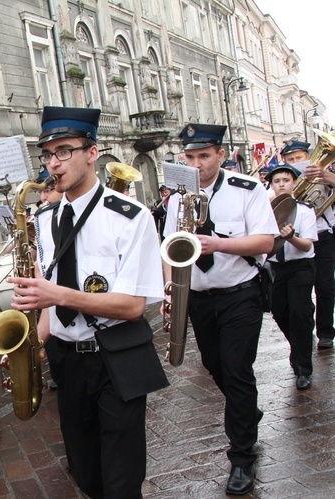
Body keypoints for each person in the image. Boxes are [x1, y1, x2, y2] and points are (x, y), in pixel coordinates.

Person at [9, 107, 167, 498]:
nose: (53, 163)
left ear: (92, 153)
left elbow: (132, 306)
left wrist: (57, 295)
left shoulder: (131, 217)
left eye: (64, 151)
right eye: (47, 154)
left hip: (115, 356)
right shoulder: (43, 220)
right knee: (85, 472)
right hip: (67, 359)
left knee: (121, 478)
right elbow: (47, 298)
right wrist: (32, 343)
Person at [163, 124, 278, 495]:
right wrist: (169, 288)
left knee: (236, 368)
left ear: (221, 154)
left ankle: (241, 456)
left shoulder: (249, 189)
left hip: (239, 293)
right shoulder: (177, 198)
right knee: (215, 366)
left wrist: (219, 245)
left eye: (204, 156)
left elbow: (266, 241)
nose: (196, 164)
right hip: (198, 297)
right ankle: (246, 412)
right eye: (190, 157)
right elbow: (169, 245)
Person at [266, 163, 317, 390]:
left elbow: (306, 246)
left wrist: (291, 236)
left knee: (299, 313)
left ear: (294, 183)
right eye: (277, 182)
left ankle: (303, 368)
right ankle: (299, 345)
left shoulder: (304, 210)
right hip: (277, 269)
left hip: (301, 267)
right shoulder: (265, 212)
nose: (281, 185)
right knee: (280, 312)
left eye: (285, 181)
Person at [281, 140, 335, 350]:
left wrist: (326, 176)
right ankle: (304, 331)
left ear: (308, 158)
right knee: (300, 292)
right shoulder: (284, 178)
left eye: (299, 158)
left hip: (322, 235)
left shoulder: (322, 174)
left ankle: (326, 333)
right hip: (295, 239)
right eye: (291, 159)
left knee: (325, 286)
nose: (296, 162)